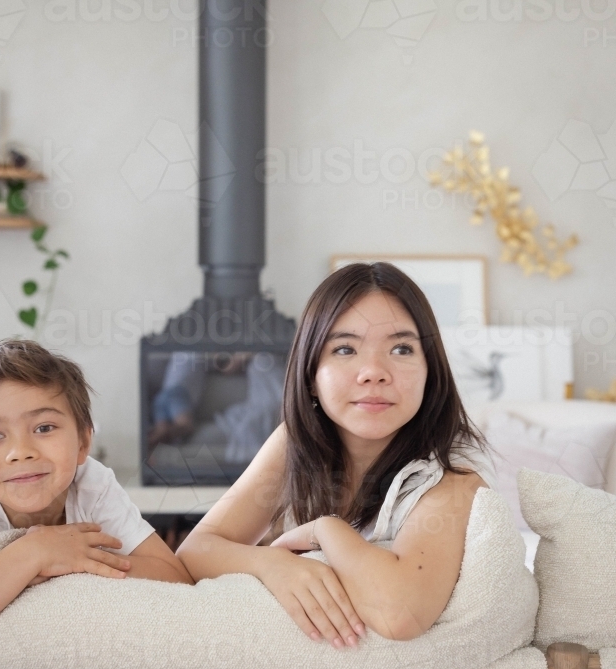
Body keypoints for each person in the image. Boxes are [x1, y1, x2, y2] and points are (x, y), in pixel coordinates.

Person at [178, 262, 494, 646]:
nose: (373, 372)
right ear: (311, 376)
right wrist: (272, 564)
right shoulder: (295, 442)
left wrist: (325, 530)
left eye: (401, 348)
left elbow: (399, 615)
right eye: (345, 349)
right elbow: (196, 550)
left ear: (431, 372)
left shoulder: (453, 478)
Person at [0, 339, 193, 652]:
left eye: (44, 428)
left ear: (82, 442)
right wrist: (35, 553)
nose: (20, 452)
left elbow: (174, 578)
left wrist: (73, 559)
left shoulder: (93, 484)